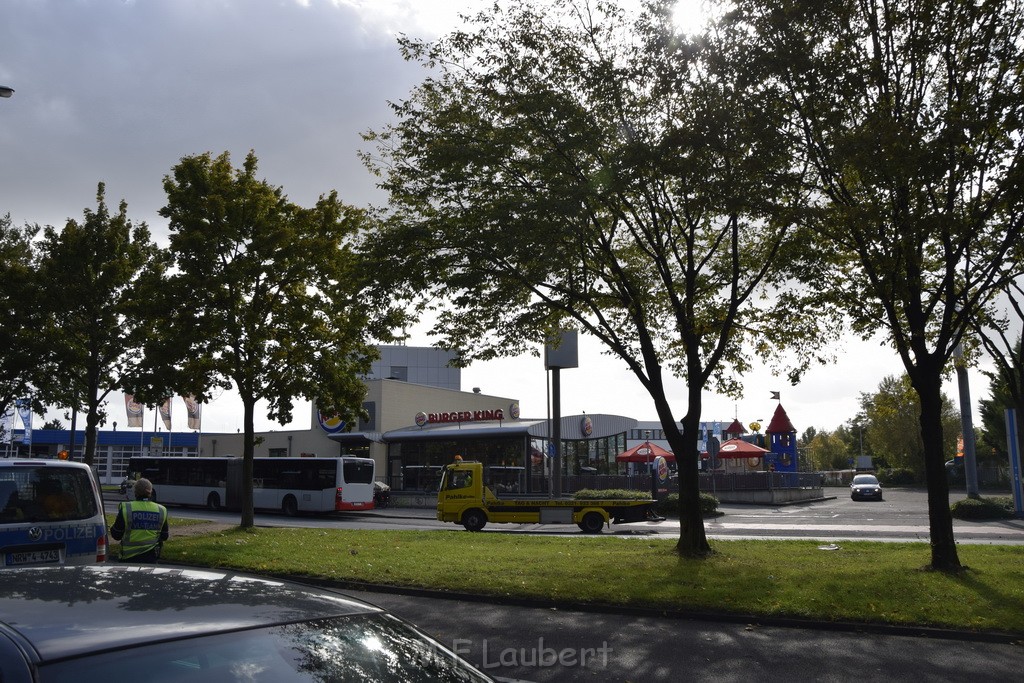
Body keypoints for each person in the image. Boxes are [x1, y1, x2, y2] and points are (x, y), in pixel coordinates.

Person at [110, 478, 169, 563]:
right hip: (151, 558)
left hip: (129, 558)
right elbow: (164, 536)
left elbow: (116, 535)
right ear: (151, 491)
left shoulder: (127, 508)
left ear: (135, 492)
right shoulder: (161, 509)